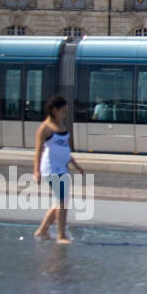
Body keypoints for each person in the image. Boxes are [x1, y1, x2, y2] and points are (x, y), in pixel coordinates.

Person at [33, 95, 84, 243]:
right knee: (62, 201)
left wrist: (76, 165)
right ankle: (61, 236)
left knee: (60, 202)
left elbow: (65, 150)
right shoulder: (44, 128)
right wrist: (36, 171)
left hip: (63, 167)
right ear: (54, 110)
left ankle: (42, 231)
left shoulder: (62, 126)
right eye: (63, 111)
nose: (64, 114)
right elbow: (38, 151)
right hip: (51, 168)